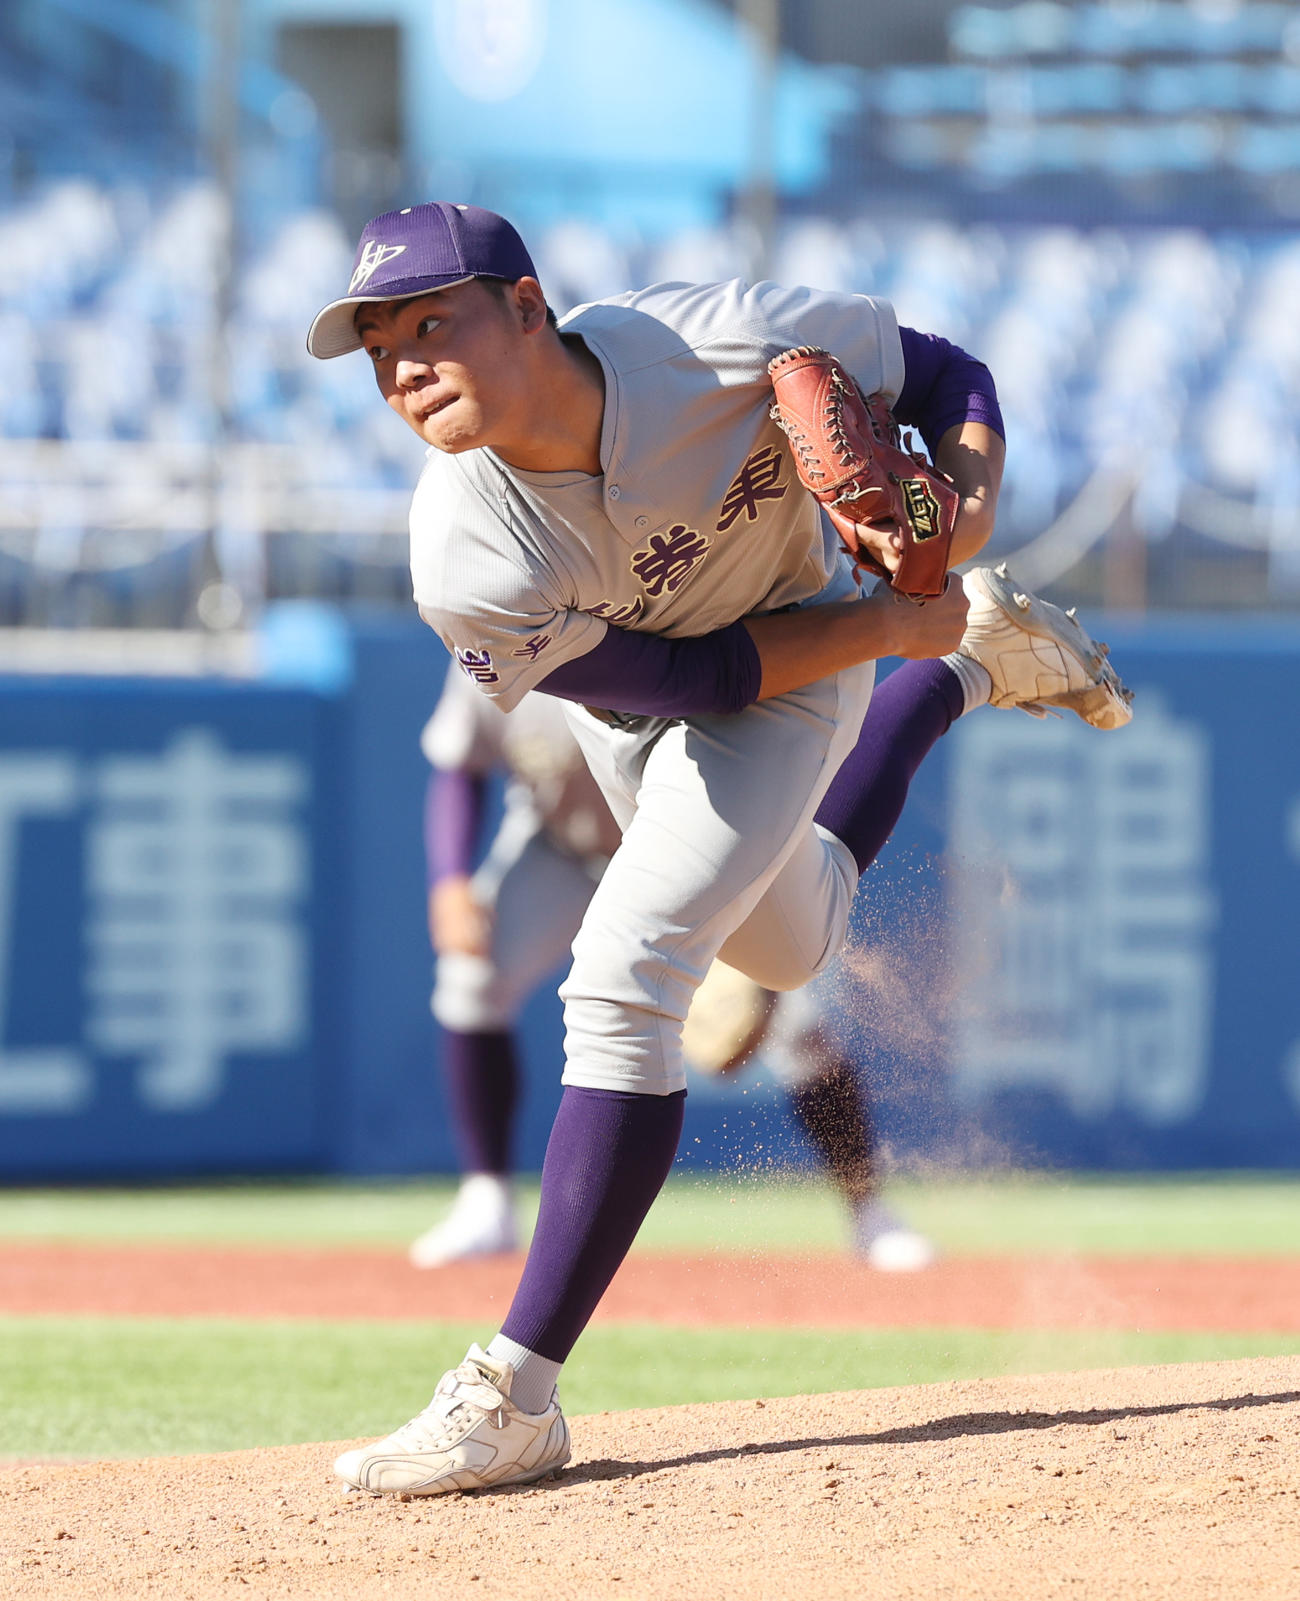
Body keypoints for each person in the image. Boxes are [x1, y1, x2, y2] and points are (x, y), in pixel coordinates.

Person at [307, 201, 1132, 1497]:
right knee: (790, 941)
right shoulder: (461, 552)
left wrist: (956, 525)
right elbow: (681, 679)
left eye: (429, 323)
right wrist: (903, 636)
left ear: (525, 305)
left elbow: (947, 374)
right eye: (377, 349)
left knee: (621, 973)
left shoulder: (712, 342)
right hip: (666, 704)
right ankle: (965, 670)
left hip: (796, 658)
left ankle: (515, 1391)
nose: (403, 365)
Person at [412, 662, 934, 1273]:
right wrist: (449, 879)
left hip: (687, 857)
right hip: (564, 850)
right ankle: (486, 1201)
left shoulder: (646, 621)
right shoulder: (493, 639)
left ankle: (870, 1214)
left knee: (799, 1028)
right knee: (471, 978)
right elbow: (460, 766)